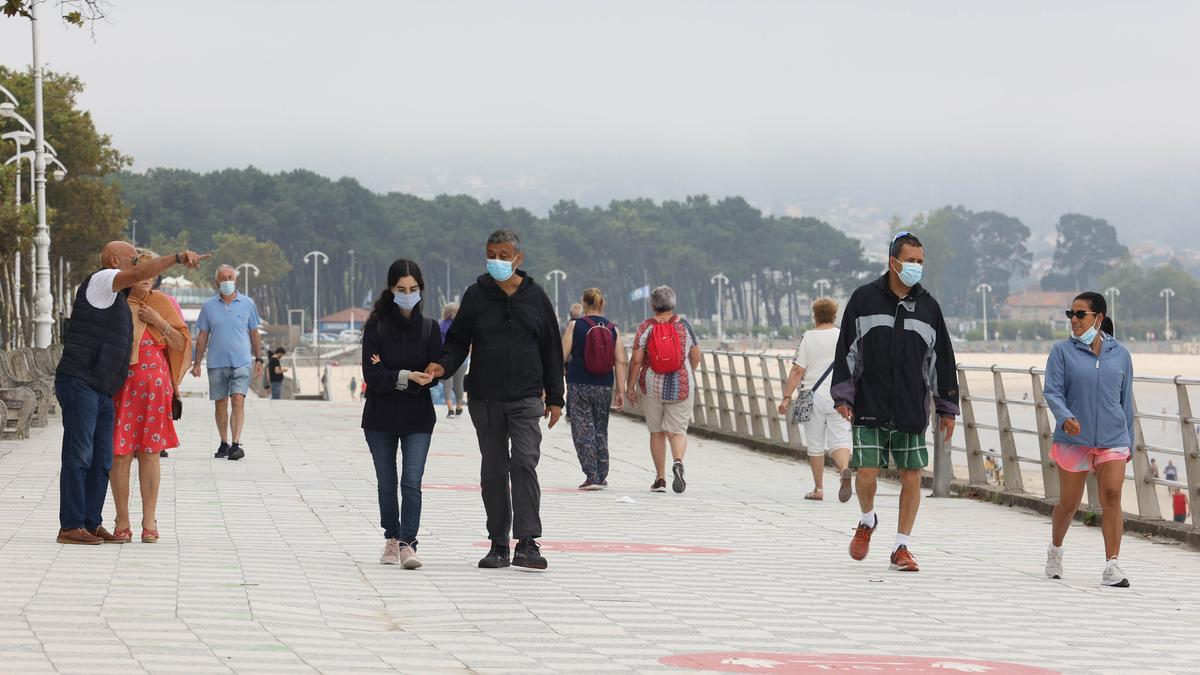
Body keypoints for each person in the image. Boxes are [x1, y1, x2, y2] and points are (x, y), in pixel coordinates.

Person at [426, 229, 564, 571]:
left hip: (527, 397)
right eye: (491, 254)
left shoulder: (536, 298)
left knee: (524, 463)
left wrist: (556, 397)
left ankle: (528, 542)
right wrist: (442, 366)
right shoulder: (476, 295)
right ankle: (498, 543)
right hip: (485, 398)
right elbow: (457, 341)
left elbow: (551, 348)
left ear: (519, 257)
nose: (497, 261)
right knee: (493, 468)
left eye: (504, 254)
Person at [54, 242, 205, 545]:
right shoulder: (101, 282)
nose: (139, 267)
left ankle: (91, 522)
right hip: (81, 381)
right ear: (114, 261)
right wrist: (175, 258)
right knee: (80, 454)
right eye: (133, 261)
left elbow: (175, 342)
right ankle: (70, 525)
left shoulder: (127, 299)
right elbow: (139, 274)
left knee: (102, 458)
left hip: (102, 388)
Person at [831, 232, 959, 573]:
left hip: (910, 407)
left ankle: (901, 546)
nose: (917, 267)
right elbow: (846, 350)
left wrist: (946, 407)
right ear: (893, 262)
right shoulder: (863, 299)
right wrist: (843, 395)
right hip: (869, 402)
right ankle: (867, 519)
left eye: (921, 262)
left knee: (912, 476)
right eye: (911, 261)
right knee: (867, 472)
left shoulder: (930, 307)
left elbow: (942, 360)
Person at [1043, 291, 1135, 587]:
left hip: (1113, 438)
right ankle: (1055, 549)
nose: (1074, 320)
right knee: (1069, 504)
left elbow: (1126, 402)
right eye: (1070, 314)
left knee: (1112, 496)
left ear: (1099, 318)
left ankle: (1112, 565)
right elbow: (1052, 391)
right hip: (1074, 438)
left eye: (1080, 314)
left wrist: (1128, 441)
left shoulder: (1121, 355)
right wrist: (1064, 416)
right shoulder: (1061, 352)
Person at [361, 259, 441, 569]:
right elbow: (372, 373)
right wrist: (407, 376)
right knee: (386, 482)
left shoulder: (430, 328)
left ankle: (409, 542)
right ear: (391, 289)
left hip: (418, 417)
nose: (407, 294)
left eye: (413, 289)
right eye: (401, 289)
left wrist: (396, 372)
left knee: (411, 481)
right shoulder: (376, 326)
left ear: (421, 290)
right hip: (380, 417)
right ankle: (391, 538)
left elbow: (436, 368)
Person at [109, 251, 191, 544]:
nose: (145, 278)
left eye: (150, 272)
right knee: (119, 453)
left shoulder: (164, 304)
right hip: (123, 387)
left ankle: (149, 519)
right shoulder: (115, 304)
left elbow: (181, 343)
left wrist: (159, 321)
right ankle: (121, 520)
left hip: (155, 389)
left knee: (150, 452)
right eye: (139, 271)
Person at [626, 286, 701, 494]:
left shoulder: (645, 327)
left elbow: (636, 360)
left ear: (652, 305)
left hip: (652, 385)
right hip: (682, 383)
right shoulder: (684, 325)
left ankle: (660, 479)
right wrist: (687, 372)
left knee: (656, 432)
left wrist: (630, 386)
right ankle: (678, 461)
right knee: (677, 431)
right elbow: (696, 355)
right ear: (673, 304)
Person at [779, 298, 853, 502]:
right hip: (840, 396)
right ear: (834, 316)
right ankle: (845, 469)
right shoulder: (842, 336)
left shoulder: (808, 337)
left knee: (815, 444)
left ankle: (819, 489)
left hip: (812, 395)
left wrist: (786, 397)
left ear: (815, 316)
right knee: (839, 440)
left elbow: (797, 370)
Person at [191, 265, 264, 461]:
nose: (227, 281)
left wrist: (259, 358)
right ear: (217, 282)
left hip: (241, 362)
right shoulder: (209, 306)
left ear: (236, 280)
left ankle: (236, 443)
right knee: (221, 403)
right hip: (216, 363)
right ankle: (223, 442)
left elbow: (254, 333)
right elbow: (202, 336)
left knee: (238, 400)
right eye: (223, 278)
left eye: (230, 277)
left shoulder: (248, 304)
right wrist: (197, 363)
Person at [562, 288, 627, 490]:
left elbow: (561, 356)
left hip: (579, 383)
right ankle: (602, 473)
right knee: (600, 429)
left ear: (584, 304)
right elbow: (621, 361)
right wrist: (621, 391)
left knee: (582, 429)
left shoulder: (575, 326)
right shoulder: (613, 328)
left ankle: (591, 475)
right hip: (604, 385)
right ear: (602, 304)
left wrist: (552, 384)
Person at [439, 303, 467, 418]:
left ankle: (450, 410)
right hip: (462, 359)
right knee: (459, 384)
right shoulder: (463, 326)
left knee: (447, 384)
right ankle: (459, 406)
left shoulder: (441, 325)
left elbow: (438, 343)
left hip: (445, 358)